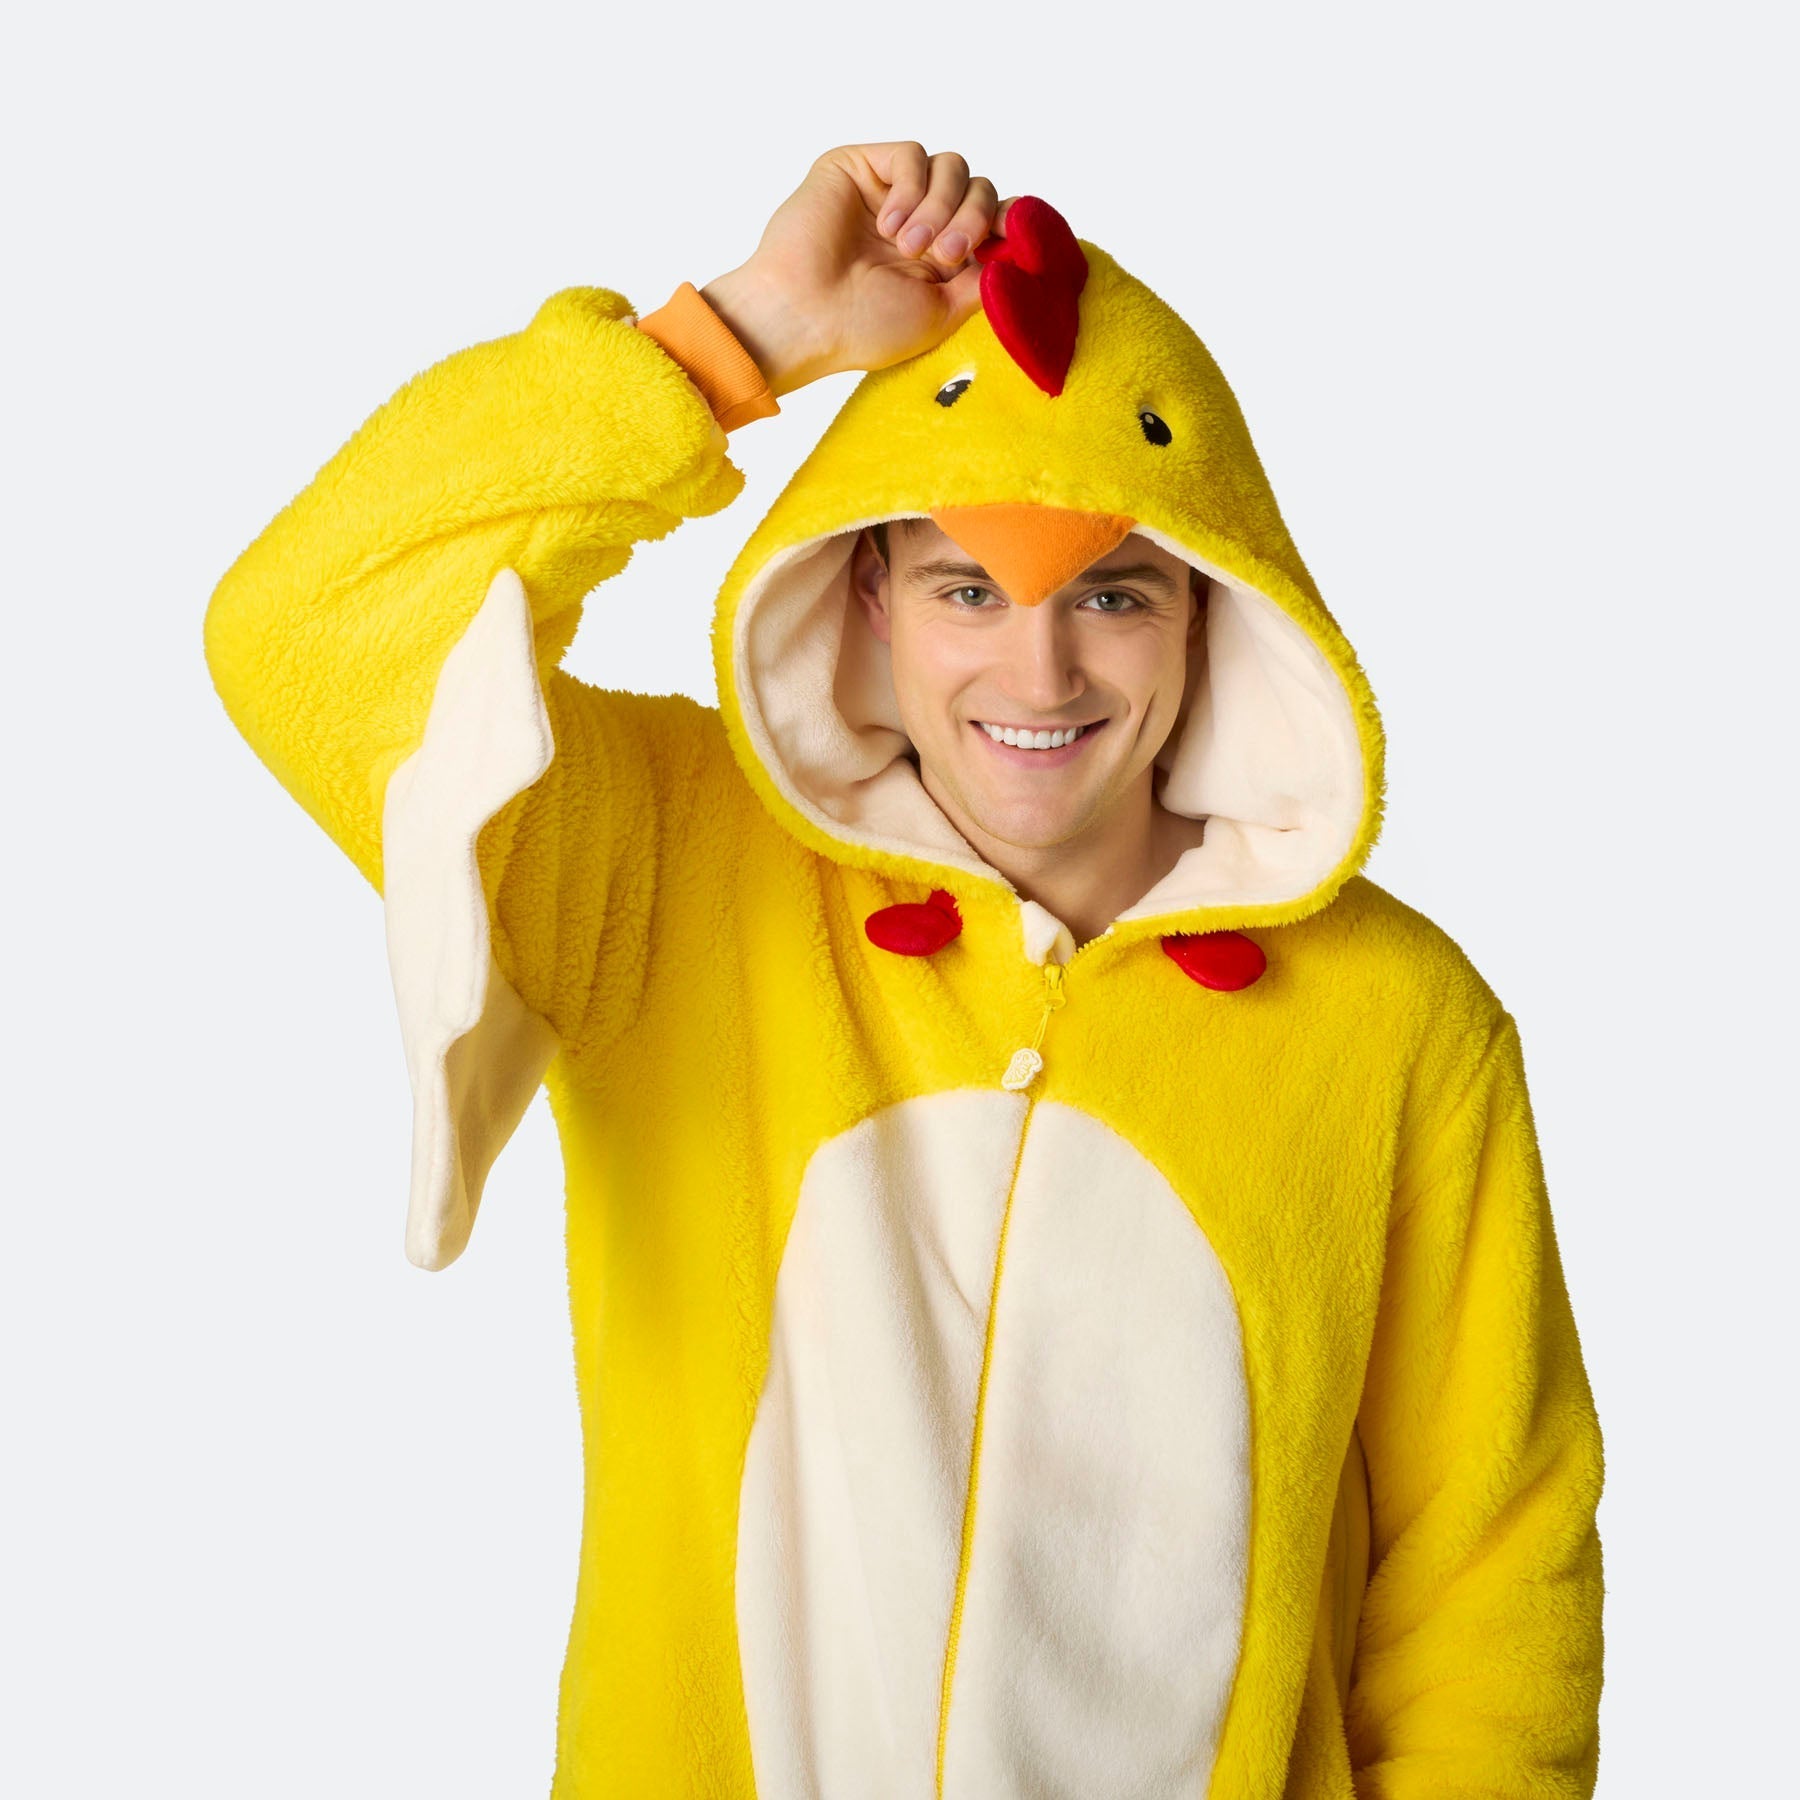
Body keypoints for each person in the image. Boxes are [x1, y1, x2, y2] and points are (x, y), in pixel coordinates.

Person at [204, 141, 1605, 1797]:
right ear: (869, 593)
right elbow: (311, 627)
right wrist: (744, 335)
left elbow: (1491, 1573)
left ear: (1208, 610)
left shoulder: (1401, 1019)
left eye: (1113, 594)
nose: (1041, 671)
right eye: (967, 589)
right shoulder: (668, 866)